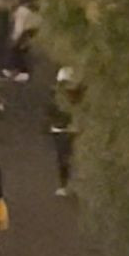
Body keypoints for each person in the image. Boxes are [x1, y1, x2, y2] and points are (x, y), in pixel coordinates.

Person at [48, 67, 79, 197]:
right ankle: (67, 185)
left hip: (61, 131)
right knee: (67, 159)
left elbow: (50, 113)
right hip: (69, 130)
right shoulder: (75, 96)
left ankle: (65, 186)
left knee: (63, 160)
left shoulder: (56, 95)